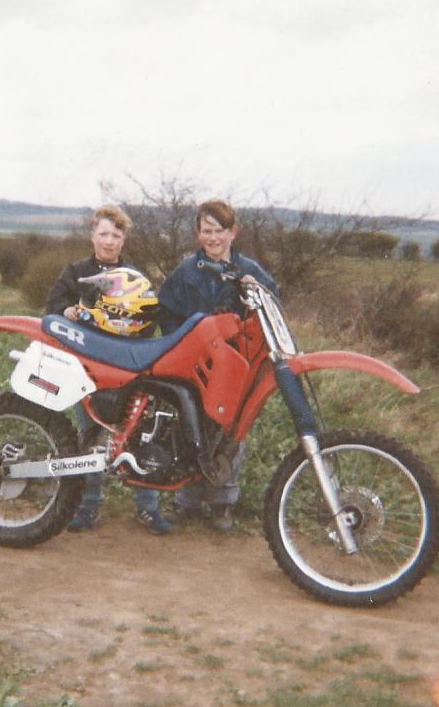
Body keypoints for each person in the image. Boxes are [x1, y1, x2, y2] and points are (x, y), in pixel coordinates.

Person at [44, 205, 169, 534]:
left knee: (139, 434)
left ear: (124, 239)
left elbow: (148, 321)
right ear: (92, 235)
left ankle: (146, 508)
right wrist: (66, 310)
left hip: (126, 368)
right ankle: (88, 506)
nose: (109, 241)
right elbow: (52, 307)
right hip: (86, 368)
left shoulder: (135, 278)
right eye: (103, 234)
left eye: (116, 234)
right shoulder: (75, 272)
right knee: (90, 437)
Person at [157, 199, 279, 532]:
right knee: (190, 427)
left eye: (219, 231)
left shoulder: (248, 271)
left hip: (235, 364)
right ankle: (188, 501)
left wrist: (252, 296)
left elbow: (272, 302)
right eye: (206, 231)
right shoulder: (186, 271)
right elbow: (165, 311)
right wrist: (181, 342)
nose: (213, 239)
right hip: (195, 364)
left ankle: (222, 502)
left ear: (233, 232)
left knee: (229, 432)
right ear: (198, 234)